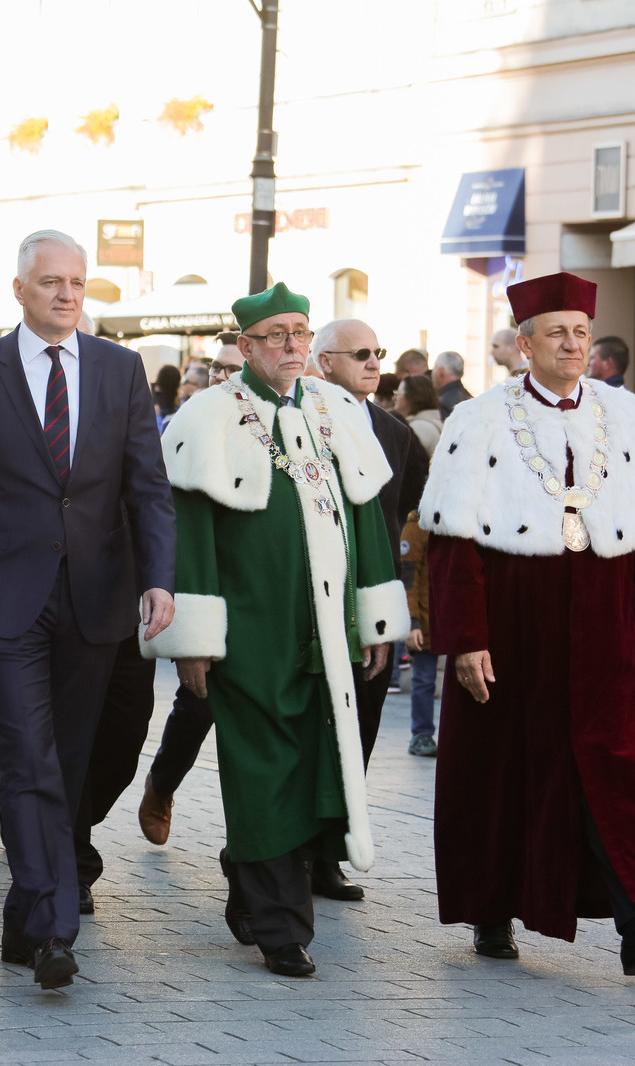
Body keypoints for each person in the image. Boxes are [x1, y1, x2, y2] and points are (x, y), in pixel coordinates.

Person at [421, 270, 635, 975]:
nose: (573, 344)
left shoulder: (624, 413)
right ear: (525, 344)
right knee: (500, 766)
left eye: (581, 332)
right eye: (557, 333)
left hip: (601, 618)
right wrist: (467, 638)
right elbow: (453, 542)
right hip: (510, 622)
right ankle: (491, 910)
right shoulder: (478, 418)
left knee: (613, 762)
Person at [0, 229, 175, 990]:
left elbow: (147, 486)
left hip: (95, 599)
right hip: (5, 601)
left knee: (64, 764)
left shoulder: (119, 368)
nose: (66, 294)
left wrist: (159, 578)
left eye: (76, 282)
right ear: (19, 289)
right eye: (50, 282)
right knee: (27, 760)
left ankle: (22, 922)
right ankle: (56, 931)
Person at [141, 282, 407, 977]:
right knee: (262, 770)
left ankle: (251, 883)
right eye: (277, 335)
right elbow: (190, 535)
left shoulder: (334, 410)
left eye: (300, 333)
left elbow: (367, 519)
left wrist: (377, 618)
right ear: (246, 346)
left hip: (330, 630)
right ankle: (283, 929)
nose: (292, 345)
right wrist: (194, 639)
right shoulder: (208, 415)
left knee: (314, 767)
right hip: (251, 630)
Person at [313, 316, 427, 899]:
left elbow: (402, 511)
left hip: (371, 599)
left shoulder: (395, 433)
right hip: (309, 596)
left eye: (377, 351)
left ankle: (328, 853)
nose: (374, 362)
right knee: (310, 729)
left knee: (360, 726)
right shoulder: (300, 419)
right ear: (325, 362)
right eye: (359, 353)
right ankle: (283, 851)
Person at [400, 509, 439, 756]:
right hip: (425, 621)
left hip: (448, 617)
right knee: (424, 679)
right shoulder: (415, 527)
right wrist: (412, 622)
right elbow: (408, 580)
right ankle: (421, 735)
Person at [395, 374, 443, 456]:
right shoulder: (431, 422)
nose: (395, 397)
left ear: (412, 396)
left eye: (398, 393)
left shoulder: (419, 428)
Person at [431, 350, 472, 419]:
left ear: (441, 372)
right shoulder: (470, 399)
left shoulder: (442, 404)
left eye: (434, 368)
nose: (432, 373)